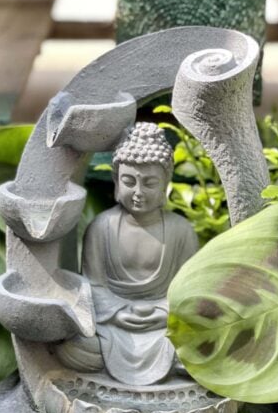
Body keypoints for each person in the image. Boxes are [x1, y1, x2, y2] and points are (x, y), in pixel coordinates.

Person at [55, 121, 199, 385]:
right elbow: (92, 286)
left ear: (165, 183)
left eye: (150, 183)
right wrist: (118, 312)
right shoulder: (102, 227)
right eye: (129, 181)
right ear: (116, 181)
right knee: (76, 347)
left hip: (164, 324)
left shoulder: (181, 230)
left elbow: (190, 290)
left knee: (200, 345)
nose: (138, 193)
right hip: (114, 325)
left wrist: (165, 312)